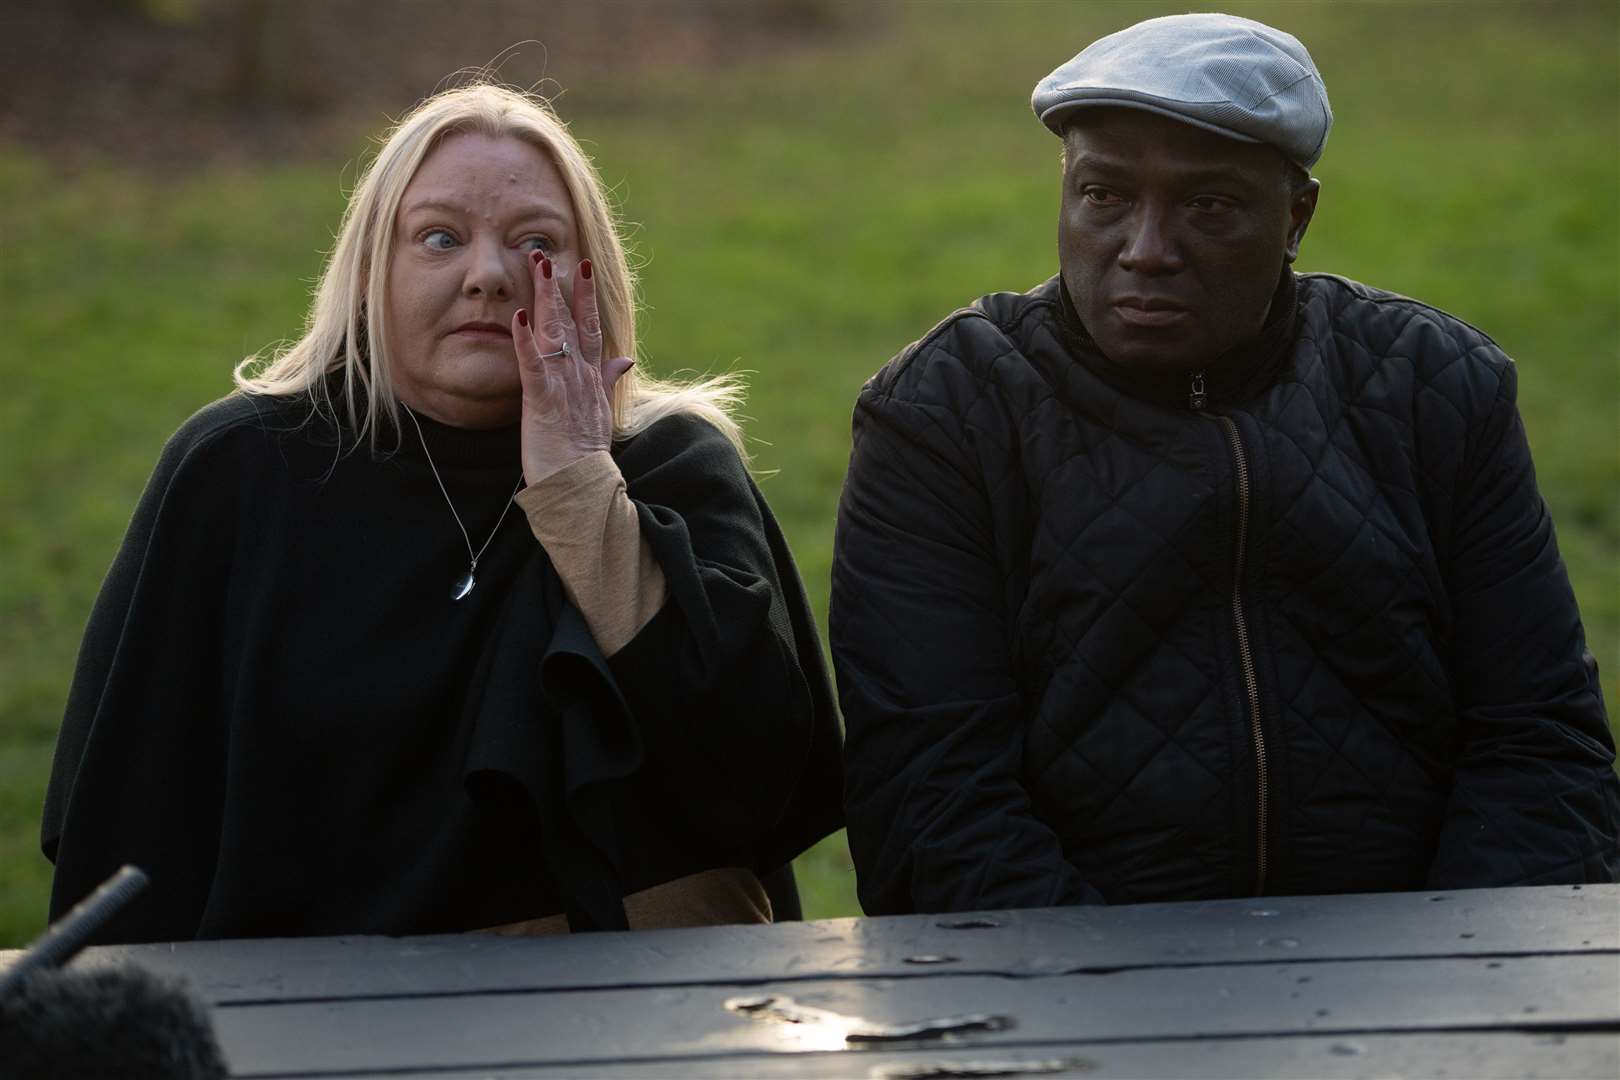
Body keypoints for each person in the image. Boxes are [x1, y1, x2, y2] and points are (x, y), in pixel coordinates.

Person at [831, 13, 1619, 914]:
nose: (1146, 249)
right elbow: (930, 801)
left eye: (1207, 206)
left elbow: (1539, 744)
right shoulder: (946, 414)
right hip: (1067, 1008)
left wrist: (1459, 980)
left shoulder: (1435, 389)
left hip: (1417, 978)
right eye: (1104, 196)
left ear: (1297, 216)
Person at [43, 83, 843, 943]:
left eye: (534, 243)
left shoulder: (673, 465)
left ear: (591, 278)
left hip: (642, 1011)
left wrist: (579, 483)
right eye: (439, 238)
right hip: (306, 1020)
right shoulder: (241, 474)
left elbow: (756, 772)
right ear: (368, 275)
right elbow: (130, 827)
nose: (489, 276)